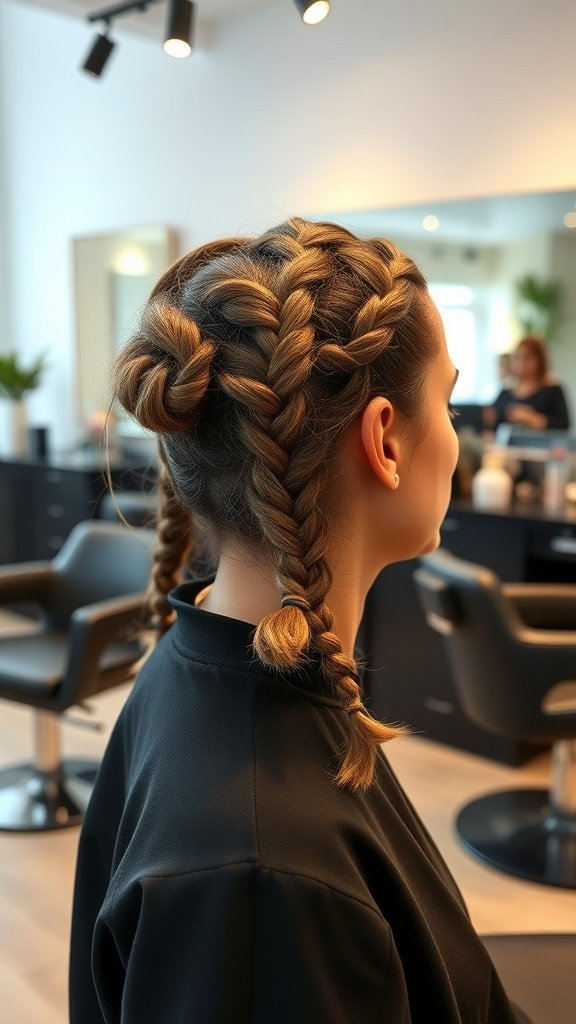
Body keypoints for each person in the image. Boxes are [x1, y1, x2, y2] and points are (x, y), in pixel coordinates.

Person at [69, 218, 526, 1023]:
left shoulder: (203, 661)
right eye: (449, 401)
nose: (460, 441)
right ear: (385, 439)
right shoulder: (259, 878)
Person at [490, 336, 570, 431]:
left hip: (540, 445)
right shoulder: (505, 392)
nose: (522, 363)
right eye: (518, 357)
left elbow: (564, 424)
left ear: (540, 360)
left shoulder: (552, 390)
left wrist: (533, 418)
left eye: (527, 358)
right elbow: (491, 420)